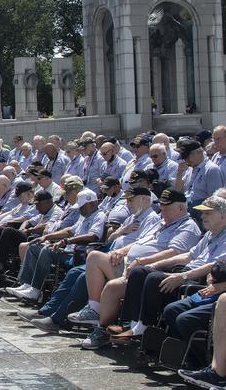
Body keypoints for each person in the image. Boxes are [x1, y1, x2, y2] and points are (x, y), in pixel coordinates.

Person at [83, 191, 226, 349]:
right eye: (203, 212)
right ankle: (133, 324)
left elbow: (213, 265)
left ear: (223, 216)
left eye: (208, 213)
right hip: (184, 271)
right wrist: (154, 265)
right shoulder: (210, 235)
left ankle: (144, 327)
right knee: (141, 272)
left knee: (153, 279)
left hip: (195, 279)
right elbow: (187, 257)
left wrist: (182, 276)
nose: (203, 216)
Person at [176, 138, 226, 212]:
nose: (186, 160)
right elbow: (179, 190)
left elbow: (214, 200)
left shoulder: (211, 169)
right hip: (189, 210)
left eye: (187, 157)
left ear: (199, 153)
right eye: (184, 158)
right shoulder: (190, 169)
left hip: (202, 213)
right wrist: (179, 174)